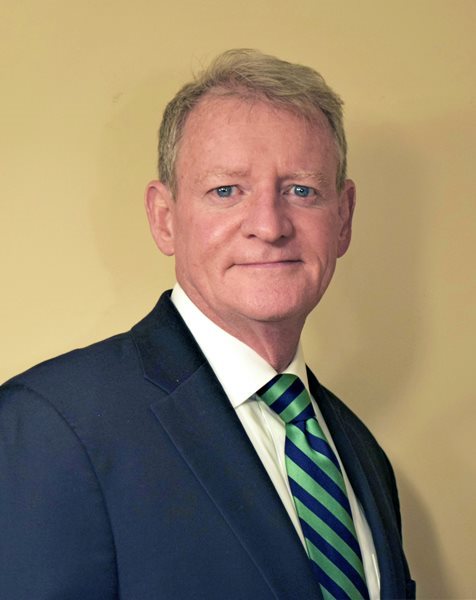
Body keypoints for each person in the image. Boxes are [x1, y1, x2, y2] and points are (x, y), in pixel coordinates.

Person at [0, 49, 415, 599]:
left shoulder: (359, 452)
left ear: (343, 217)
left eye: (301, 190)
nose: (269, 226)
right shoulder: (51, 427)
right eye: (226, 191)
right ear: (164, 219)